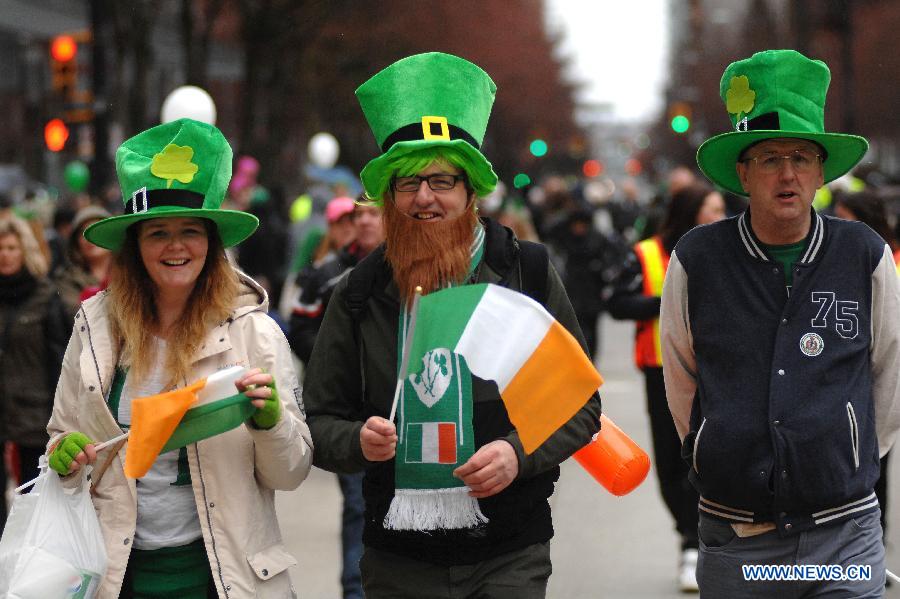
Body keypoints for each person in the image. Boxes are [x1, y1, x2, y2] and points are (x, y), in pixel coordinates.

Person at [302, 52, 601, 599]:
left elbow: (580, 405)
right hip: (397, 562)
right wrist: (356, 441)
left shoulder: (525, 273)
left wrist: (517, 452)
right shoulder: (358, 294)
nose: (424, 197)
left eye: (441, 180)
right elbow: (318, 422)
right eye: (408, 182)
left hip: (510, 552)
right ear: (389, 199)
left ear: (469, 194)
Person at [660, 49, 900, 596]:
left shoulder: (863, 253)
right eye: (768, 158)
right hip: (738, 536)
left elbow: (890, 371)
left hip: (845, 531)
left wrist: (848, 451)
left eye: (799, 156)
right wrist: (718, 447)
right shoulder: (697, 259)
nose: (786, 173)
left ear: (821, 170)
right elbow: (680, 378)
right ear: (742, 173)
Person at [44, 118, 313, 598]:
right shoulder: (95, 327)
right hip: (115, 577)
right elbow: (62, 435)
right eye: (157, 233)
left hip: (223, 581)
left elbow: (290, 472)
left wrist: (271, 422)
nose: (175, 246)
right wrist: (64, 455)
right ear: (135, 247)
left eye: (191, 230)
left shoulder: (255, 332)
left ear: (211, 245)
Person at [608, 182, 725, 592]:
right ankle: (689, 539)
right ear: (690, 211)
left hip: (718, 368)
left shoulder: (730, 250)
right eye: (711, 209)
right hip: (659, 369)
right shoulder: (645, 253)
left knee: (711, 455)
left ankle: (705, 542)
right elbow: (617, 302)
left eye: (720, 209)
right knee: (672, 461)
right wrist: (667, 301)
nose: (718, 216)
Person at [287, 198, 383, 599]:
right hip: (350, 414)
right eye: (356, 214)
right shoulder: (329, 275)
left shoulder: (410, 272)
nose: (363, 221)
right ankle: (354, 589)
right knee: (360, 504)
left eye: (372, 212)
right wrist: (333, 361)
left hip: (403, 417)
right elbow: (299, 325)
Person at [0, 216, 69, 533]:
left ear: (25, 251)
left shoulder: (46, 298)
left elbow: (59, 360)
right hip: (4, 411)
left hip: (35, 414)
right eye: (0, 248)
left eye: (12, 247)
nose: (5, 254)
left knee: (34, 502)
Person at [52, 204, 112, 317]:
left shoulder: (131, 272)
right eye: (84, 233)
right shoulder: (66, 278)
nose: (91, 238)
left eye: (97, 230)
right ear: (76, 242)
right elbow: (76, 318)